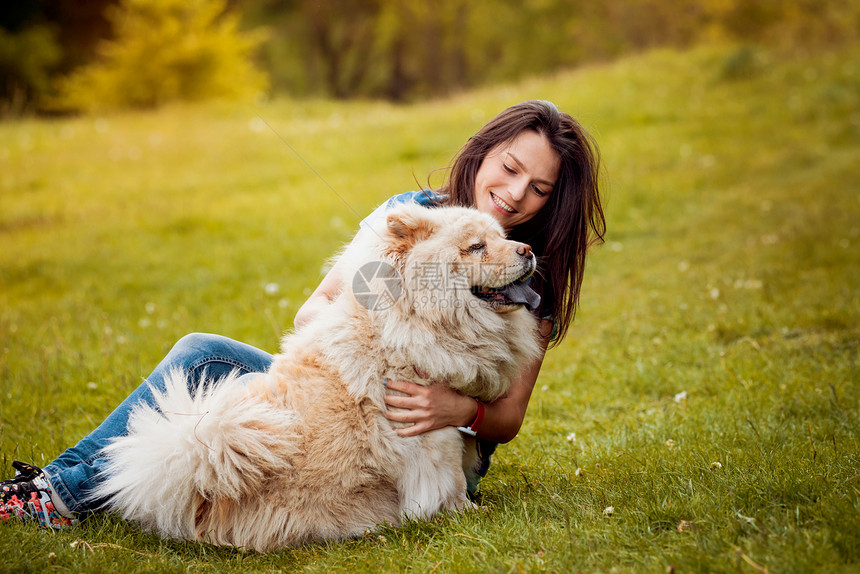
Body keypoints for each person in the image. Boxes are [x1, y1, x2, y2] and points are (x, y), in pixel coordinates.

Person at [0, 100, 605, 527]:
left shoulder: (527, 274)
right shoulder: (409, 218)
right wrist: (378, 346)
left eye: (540, 188)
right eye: (511, 166)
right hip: (344, 391)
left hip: (436, 441)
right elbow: (317, 310)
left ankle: (65, 496)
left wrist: (459, 405)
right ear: (484, 152)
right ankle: (54, 490)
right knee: (202, 355)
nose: (517, 192)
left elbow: (509, 417)